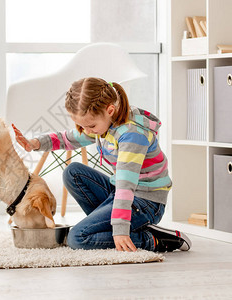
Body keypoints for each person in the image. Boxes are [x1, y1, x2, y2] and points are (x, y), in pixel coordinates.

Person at [12, 77, 191, 252]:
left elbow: (125, 186)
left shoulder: (132, 135)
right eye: (82, 126)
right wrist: (35, 143)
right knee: (73, 172)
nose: (87, 131)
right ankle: (116, 227)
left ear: (110, 109)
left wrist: (120, 229)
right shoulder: (105, 122)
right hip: (122, 194)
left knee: (77, 238)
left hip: (146, 202)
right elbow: (71, 138)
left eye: (90, 126)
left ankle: (152, 239)